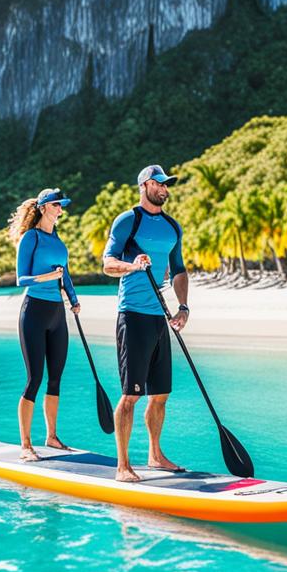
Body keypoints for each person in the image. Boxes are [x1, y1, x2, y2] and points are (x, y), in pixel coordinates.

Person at [102, 164, 189, 482]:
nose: (165, 190)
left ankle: (155, 455)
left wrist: (183, 307)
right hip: (133, 315)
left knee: (160, 393)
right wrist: (133, 266)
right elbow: (107, 264)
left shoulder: (172, 226)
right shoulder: (129, 220)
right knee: (131, 394)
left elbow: (178, 269)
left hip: (159, 317)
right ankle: (123, 466)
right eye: (160, 184)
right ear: (145, 186)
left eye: (167, 185)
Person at [8, 188, 81, 462]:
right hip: (34, 311)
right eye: (56, 205)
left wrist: (73, 300)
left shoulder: (58, 240)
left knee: (55, 378)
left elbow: (67, 275)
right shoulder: (31, 238)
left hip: (57, 314)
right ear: (43, 207)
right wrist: (47, 276)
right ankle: (26, 444)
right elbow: (21, 279)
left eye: (61, 205)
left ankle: (51, 436)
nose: (60, 209)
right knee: (34, 379)